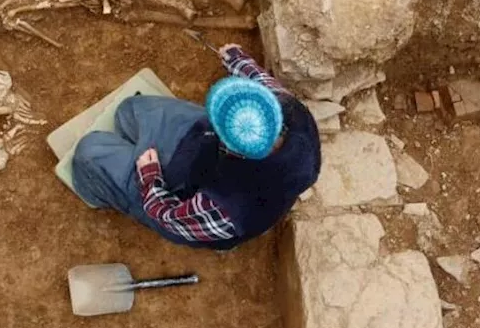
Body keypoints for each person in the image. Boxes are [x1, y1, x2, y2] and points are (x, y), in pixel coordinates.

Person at [71, 44, 321, 250]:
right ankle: (126, 154)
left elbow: (168, 217)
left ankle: (98, 190)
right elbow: (265, 85)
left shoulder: (224, 209)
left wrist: (150, 178)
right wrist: (237, 60)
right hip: (200, 148)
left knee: (89, 152)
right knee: (129, 110)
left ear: (227, 142)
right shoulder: (292, 113)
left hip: (188, 194)